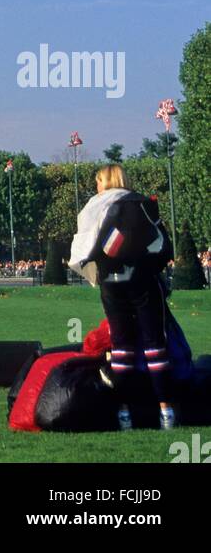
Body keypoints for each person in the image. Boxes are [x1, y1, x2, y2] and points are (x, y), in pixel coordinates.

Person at [69, 165, 175, 430]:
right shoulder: (140, 203)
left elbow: (83, 251)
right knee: (155, 346)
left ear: (105, 182)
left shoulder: (93, 206)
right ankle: (166, 411)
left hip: (111, 284)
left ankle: (123, 412)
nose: (96, 187)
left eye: (98, 181)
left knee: (121, 348)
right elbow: (161, 245)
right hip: (143, 281)